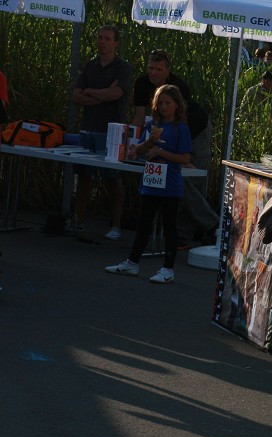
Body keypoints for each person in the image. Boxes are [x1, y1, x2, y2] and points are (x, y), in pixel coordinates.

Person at [105, 85, 192, 284]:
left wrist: (161, 153)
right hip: (151, 181)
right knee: (144, 223)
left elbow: (185, 157)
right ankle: (132, 262)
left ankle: (168, 268)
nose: (163, 107)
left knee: (169, 227)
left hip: (169, 184)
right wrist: (149, 143)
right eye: (160, 103)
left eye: (167, 103)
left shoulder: (181, 128)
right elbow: (138, 150)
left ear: (177, 105)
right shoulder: (152, 125)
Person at [131, 48, 216, 248]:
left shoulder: (179, 87)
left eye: (159, 70)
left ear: (168, 70)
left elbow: (181, 123)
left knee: (188, 180)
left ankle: (206, 227)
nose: (154, 73)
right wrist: (133, 142)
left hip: (196, 129)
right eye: (151, 68)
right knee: (178, 179)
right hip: (165, 131)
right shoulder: (142, 84)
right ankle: (184, 234)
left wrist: (180, 156)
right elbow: (139, 116)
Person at [71, 25, 133, 239]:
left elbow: (115, 95)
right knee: (84, 175)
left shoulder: (123, 68)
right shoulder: (90, 66)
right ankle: (78, 220)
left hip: (112, 131)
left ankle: (115, 225)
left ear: (116, 43)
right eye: (100, 37)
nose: (102, 41)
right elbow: (77, 96)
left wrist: (91, 92)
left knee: (112, 178)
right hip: (88, 128)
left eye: (107, 38)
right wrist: (99, 93)